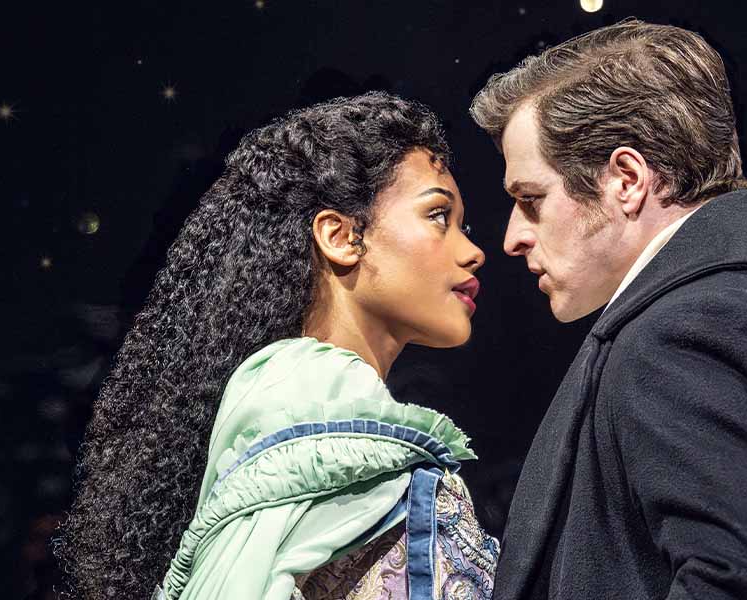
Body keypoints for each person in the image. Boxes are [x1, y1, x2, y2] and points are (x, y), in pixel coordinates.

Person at [469, 19, 747, 600]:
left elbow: (745, 584)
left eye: (531, 199)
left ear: (626, 180)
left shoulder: (687, 335)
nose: (513, 237)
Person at [54, 93, 498, 600]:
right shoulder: (309, 402)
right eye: (438, 215)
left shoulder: (311, 414)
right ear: (341, 236)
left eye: (463, 225)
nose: (473, 251)